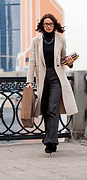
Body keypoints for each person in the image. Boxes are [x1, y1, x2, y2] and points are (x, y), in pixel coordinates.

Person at [27, 13, 78, 154]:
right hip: (43, 78)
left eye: (51, 24)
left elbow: (63, 59)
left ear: (54, 25)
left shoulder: (61, 40)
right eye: (46, 24)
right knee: (45, 108)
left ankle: (51, 141)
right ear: (42, 26)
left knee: (52, 108)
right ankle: (50, 138)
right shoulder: (36, 41)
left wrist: (70, 62)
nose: (48, 26)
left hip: (57, 78)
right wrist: (29, 81)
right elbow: (32, 62)